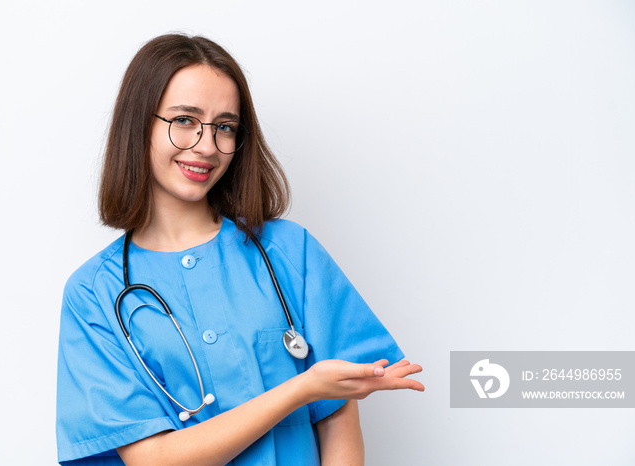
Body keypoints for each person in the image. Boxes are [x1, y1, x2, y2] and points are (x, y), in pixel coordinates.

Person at [56, 33, 424, 466]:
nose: (208, 146)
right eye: (185, 120)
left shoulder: (290, 251)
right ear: (139, 124)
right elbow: (151, 458)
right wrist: (301, 388)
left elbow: (339, 422)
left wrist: (319, 391)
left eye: (225, 127)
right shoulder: (93, 293)